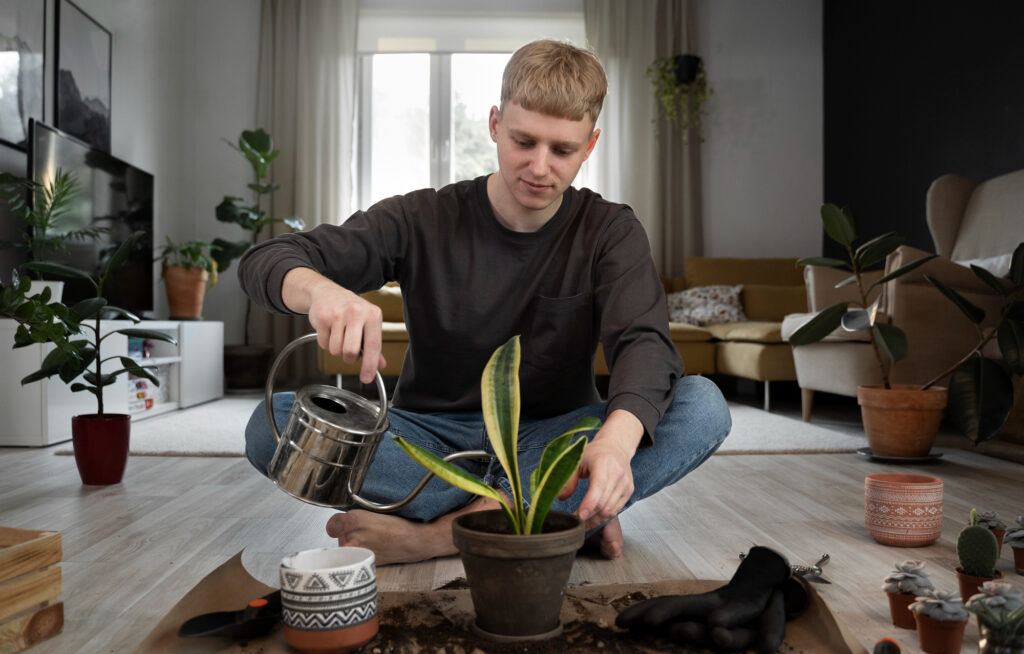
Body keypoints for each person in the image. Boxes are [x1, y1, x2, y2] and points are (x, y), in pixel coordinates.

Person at [240, 39, 731, 565]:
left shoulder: (610, 229)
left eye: (562, 150)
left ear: (590, 145)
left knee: (703, 405)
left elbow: (645, 345)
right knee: (272, 424)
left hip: (555, 439)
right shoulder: (420, 217)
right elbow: (266, 259)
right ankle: (551, 521)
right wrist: (321, 290)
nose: (539, 167)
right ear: (495, 124)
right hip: (429, 441)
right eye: (524, 141)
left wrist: (613, 444)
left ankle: (445, 533)